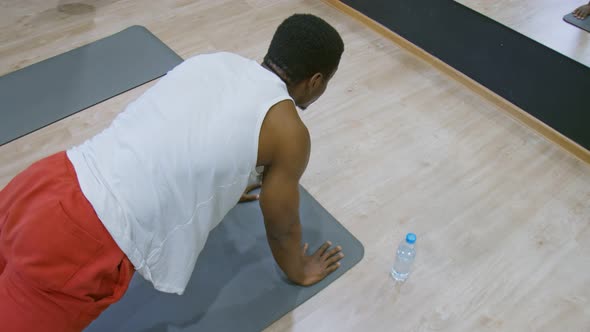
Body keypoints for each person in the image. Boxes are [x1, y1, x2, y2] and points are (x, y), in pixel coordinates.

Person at [0, 13, 345, 331]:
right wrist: (300, 270)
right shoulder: (290, 132)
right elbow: (282, 226)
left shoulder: (215, 61)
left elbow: (179, 129)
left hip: (46, 180)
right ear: (316, 81)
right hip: (83, 240)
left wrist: (226, 182)